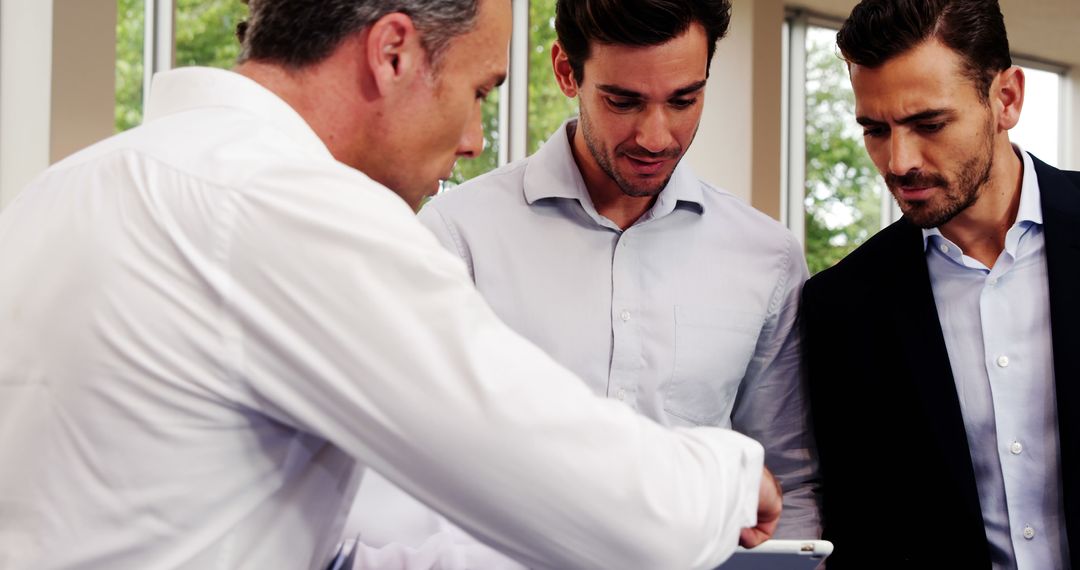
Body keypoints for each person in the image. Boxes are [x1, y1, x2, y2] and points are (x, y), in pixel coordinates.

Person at [0, 0, 784, 568]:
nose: (478, 139)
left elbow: (272, 530)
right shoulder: (287, 209)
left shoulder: (64, 191)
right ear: (395, 52)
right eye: (479, 92)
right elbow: (606, 507)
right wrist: (730, 476)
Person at [343, 0, 819, 565]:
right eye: (623, 101)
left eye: (684, 100)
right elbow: (412, 460)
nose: (655, 136)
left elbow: (789, 479)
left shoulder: (768, 258)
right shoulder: (454, 237)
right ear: (567, 72)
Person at [802, 0, 1079, 568]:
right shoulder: (843, 307)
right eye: (875, 130)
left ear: (1006, 99)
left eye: (929, 124)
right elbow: (861, 531)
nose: (899, 162)